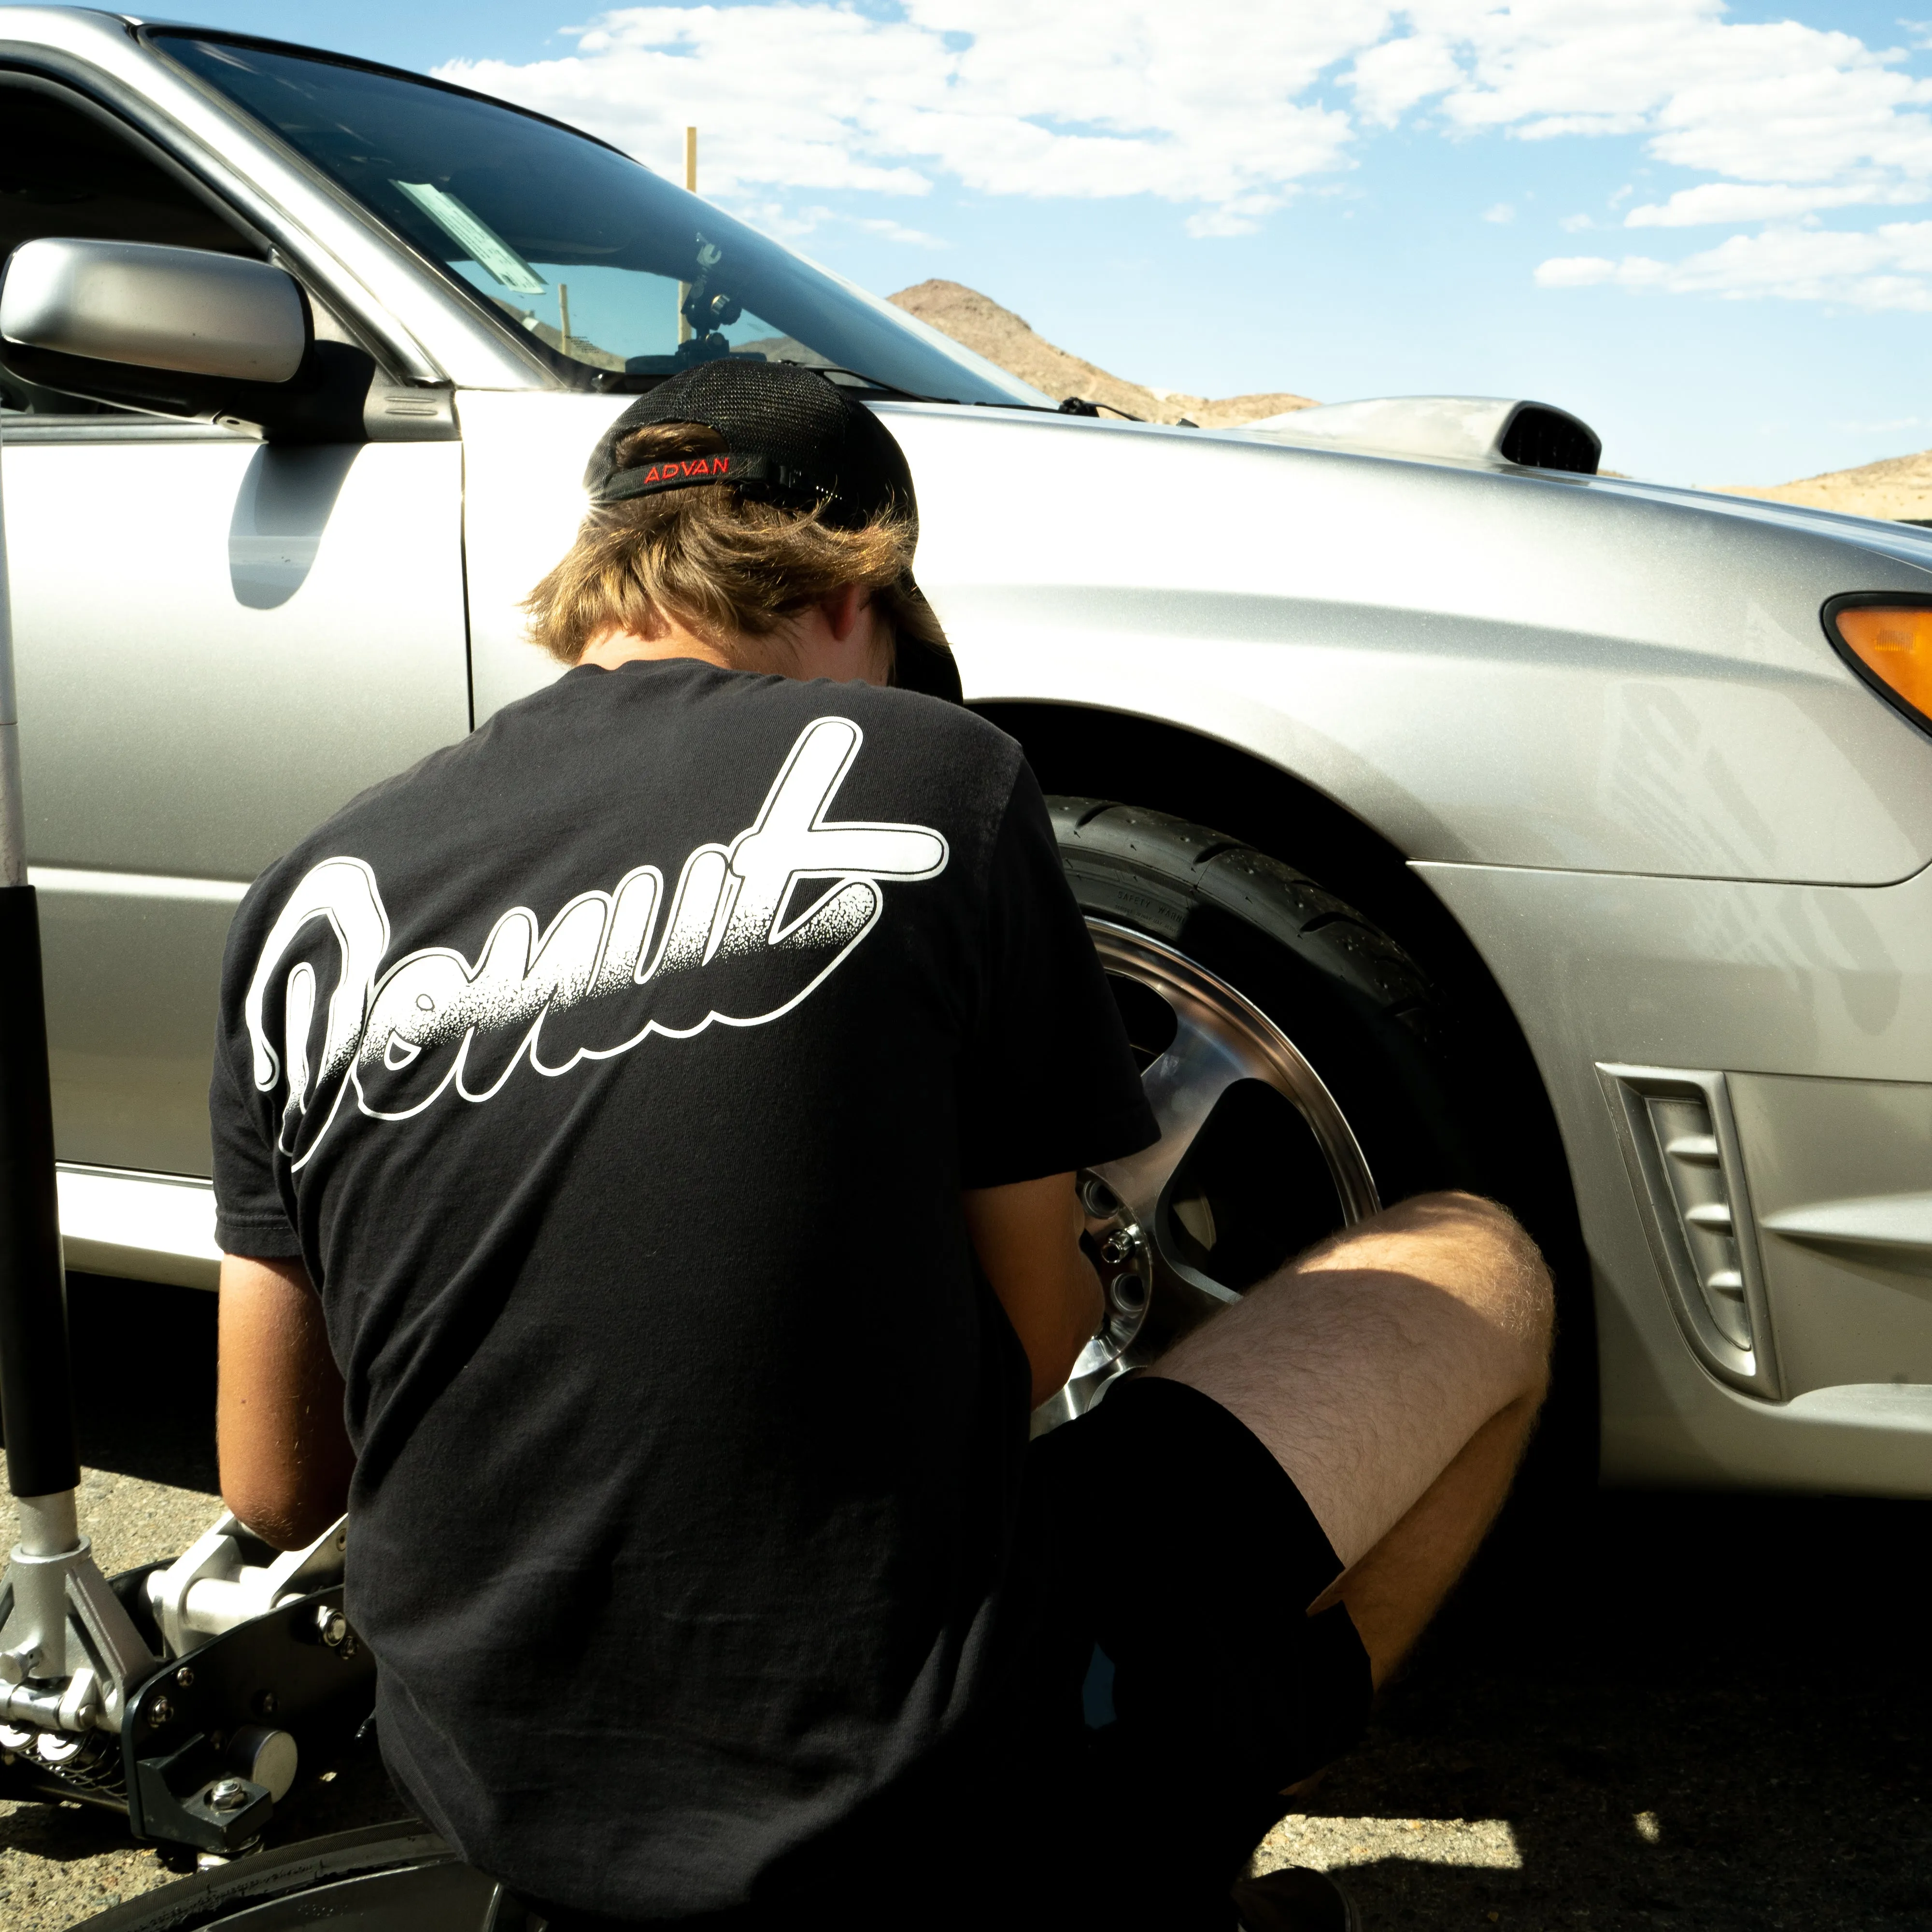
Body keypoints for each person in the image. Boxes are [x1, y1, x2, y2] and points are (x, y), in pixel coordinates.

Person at [210, 360, 1552, 1932]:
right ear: (862, 592)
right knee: (1484, 1263)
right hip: (915, 1793)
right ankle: (1160, 1819)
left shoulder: (314, 884)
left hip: (495, 1801)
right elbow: (1048, 1347)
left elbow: (277, 1480)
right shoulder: (926, 773)